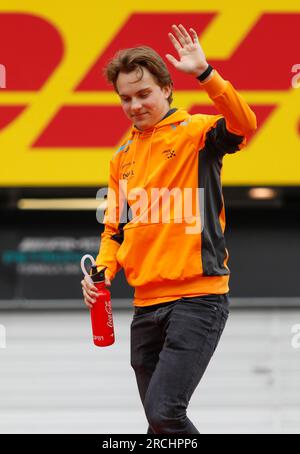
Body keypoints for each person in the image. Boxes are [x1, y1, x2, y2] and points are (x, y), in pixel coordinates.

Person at [81, 23, 257, 434]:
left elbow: (245, 124)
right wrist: (102, 272)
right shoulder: (120, 157)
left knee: (164, 414)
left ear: (166, 90)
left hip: (198, 300)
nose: (135, 105)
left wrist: (205, 74)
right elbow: (115, 231)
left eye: (143, 94)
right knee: (159, 425)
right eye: (125, 98)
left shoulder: (196, 132)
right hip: (144, 308)